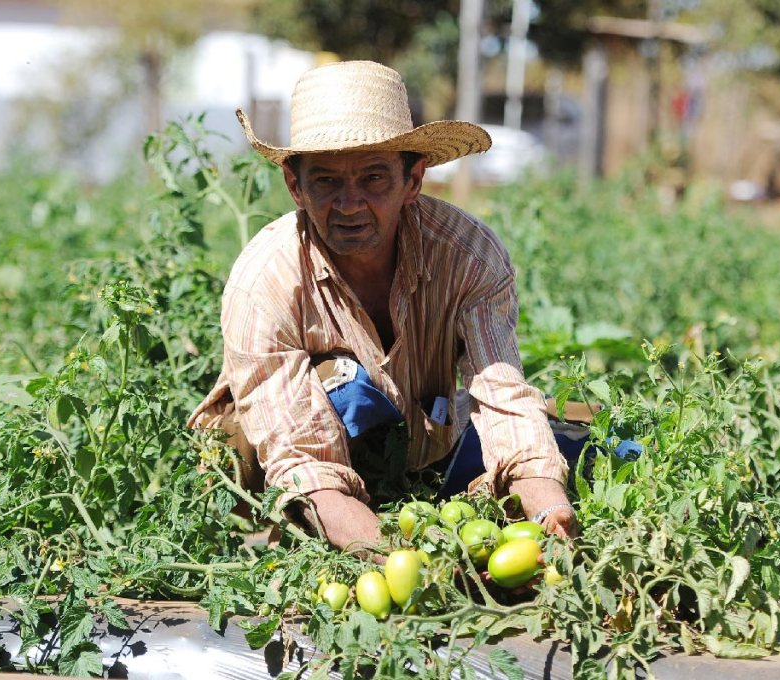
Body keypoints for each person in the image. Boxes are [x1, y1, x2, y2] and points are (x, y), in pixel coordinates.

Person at [188, 60, 589, 557]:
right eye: (327, 182)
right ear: (296, 186)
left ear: (414, 179)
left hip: (421, 447)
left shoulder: (467, 255)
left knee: (571, 427)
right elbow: (299, 459)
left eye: (375, 178)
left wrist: (548, 505)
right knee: (333, 383)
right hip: (282, 470)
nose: (350, 204)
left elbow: (499, 392)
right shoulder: (266, 281)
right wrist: (396, 558)